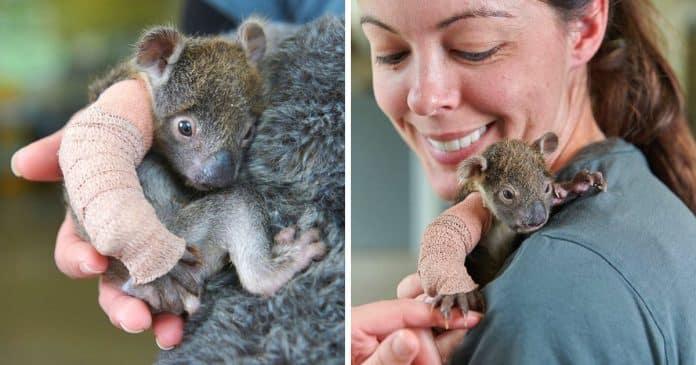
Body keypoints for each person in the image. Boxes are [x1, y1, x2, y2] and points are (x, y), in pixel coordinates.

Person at [353, 0, 696, 364]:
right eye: (391, 54)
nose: (424, 99)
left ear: (586, 30)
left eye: (474, 49)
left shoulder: (551, 291)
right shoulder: (644, 192)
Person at [10, 0, 343, 351]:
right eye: (187, 129)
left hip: (171, 255)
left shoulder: (239, 75)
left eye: (244, 135)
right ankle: (264, 270)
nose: (217, 170)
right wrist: (120, 115)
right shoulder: (152, 89)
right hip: (162, 252)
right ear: (157, 58)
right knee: (236, 203)